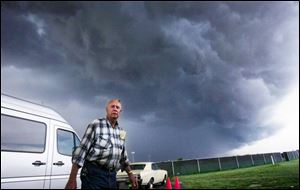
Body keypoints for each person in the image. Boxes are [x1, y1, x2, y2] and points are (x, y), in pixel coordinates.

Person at [65, 99, 138, 189]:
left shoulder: (121, 132)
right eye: (112, 106)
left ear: (120, 111)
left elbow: (123, 158)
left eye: (117, 107)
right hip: (94, 176)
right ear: (106, 109)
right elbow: (81, 152)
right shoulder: (96, 125)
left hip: (112, 177)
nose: (115, 109)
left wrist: (130, 174)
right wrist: (72, 180)